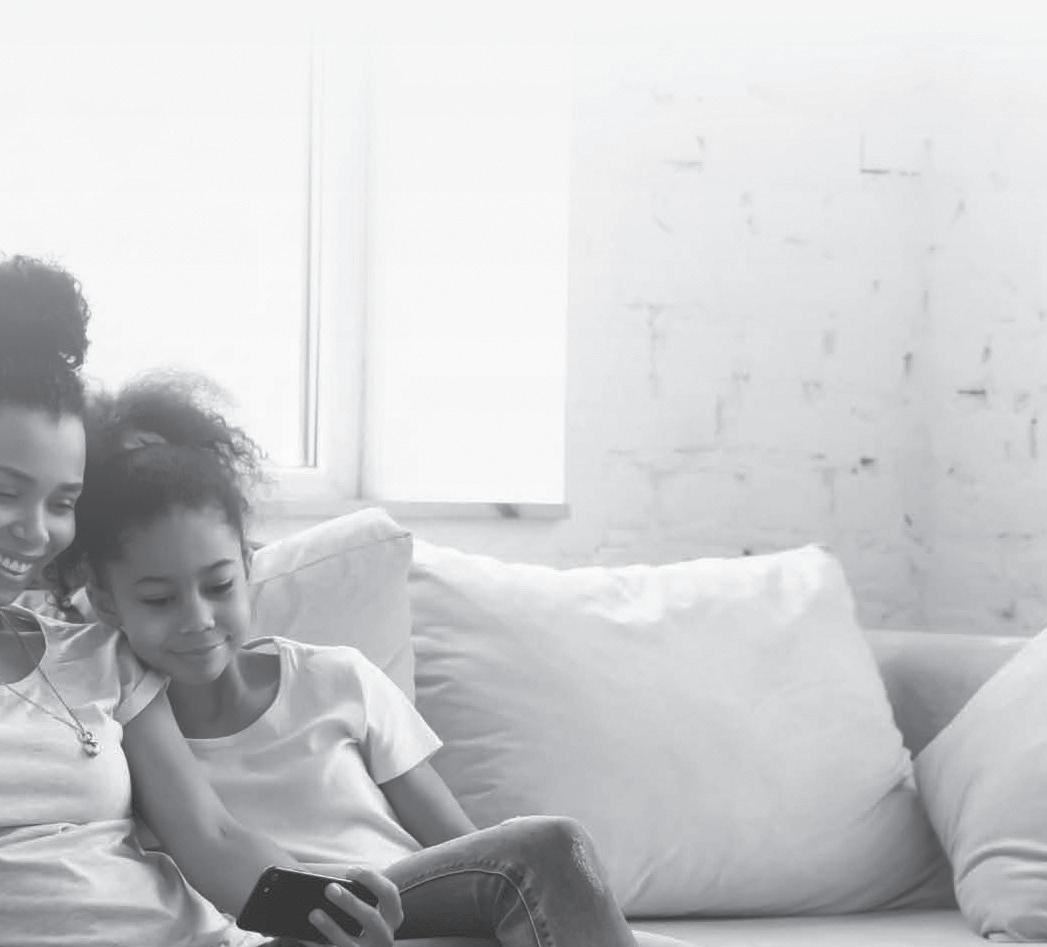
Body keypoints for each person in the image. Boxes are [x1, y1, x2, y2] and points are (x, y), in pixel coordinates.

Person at [60, 370, 641, 947]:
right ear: (106, 601)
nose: (198, 619)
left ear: (248, 566)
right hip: (292, 928)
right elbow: (203, 849)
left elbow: (469, 855)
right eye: (159, 600)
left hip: (403, 911)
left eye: (218, 586)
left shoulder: (338, 679)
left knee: (547, 848)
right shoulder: (113, 733)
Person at [0, 255, 400, 947]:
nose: (36, 532)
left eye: (62, 502)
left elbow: (212, 837)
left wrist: (331, 915)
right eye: (6, 491)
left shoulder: (98, 658)